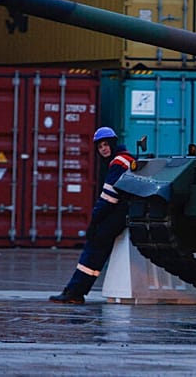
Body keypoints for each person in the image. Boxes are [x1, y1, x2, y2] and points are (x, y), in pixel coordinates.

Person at [49, 127, 135, 304]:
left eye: (106, 145)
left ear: (113, 143)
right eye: (100, 146)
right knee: (97, 254)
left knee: (93, 247)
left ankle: (74, 292)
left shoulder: (119, 162)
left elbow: (109, 197)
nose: (103, 149)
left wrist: (94, 221)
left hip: (117, 212)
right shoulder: (127, 158)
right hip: (124, 212)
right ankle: (76, 291)